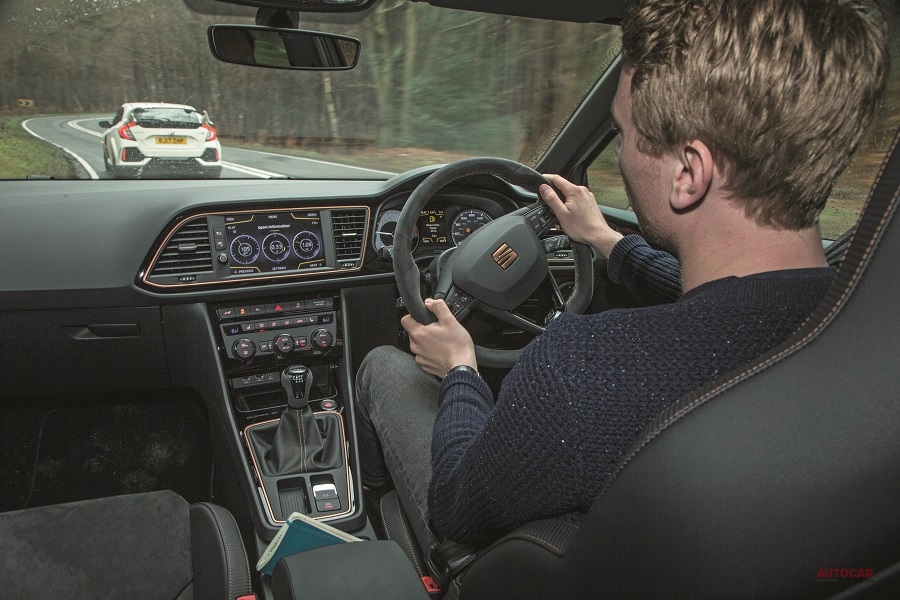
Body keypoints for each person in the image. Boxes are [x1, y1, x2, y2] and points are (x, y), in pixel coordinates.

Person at [355, 0, 891, 558]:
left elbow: (458, 506)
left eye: (621, 133)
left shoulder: (583, 372)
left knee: (385, 368)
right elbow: (727, 302)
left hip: (514, 573)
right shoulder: (865, 325)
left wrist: (460, 370)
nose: (620, 154)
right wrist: (605, 240)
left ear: (688, 174)